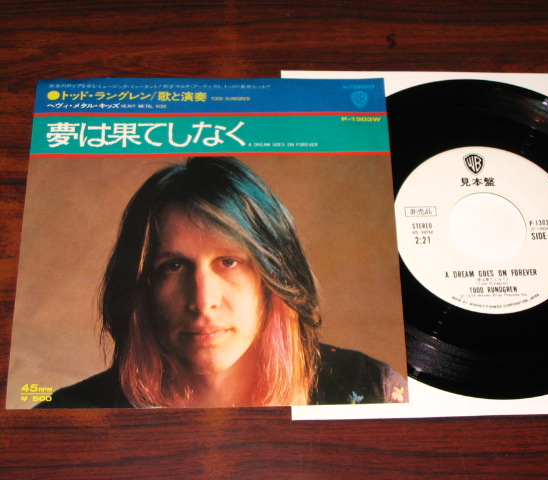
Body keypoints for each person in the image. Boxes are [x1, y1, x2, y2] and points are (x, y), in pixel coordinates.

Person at [36, 157, 407, 408]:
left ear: (272, 277)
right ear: (141, 288)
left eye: (229, 262)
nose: (203, 300)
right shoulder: (69, 415)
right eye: (173, 266)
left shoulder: (369, 387)